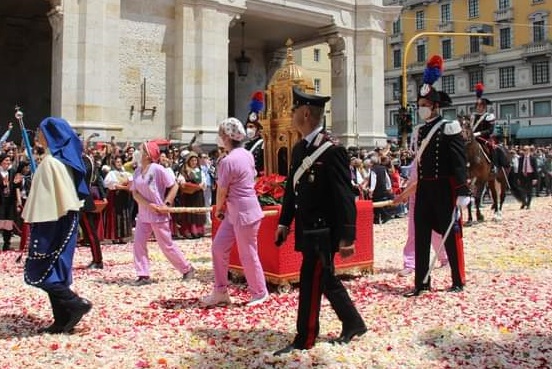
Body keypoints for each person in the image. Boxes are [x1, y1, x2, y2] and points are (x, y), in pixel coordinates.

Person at [273, 86, 367, 355]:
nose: (290, 115)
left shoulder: (332, 150)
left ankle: (305, 338)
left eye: (293, 111)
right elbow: (292, 188)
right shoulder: (299, 148)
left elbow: (344, 196)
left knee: (310, 281)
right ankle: (353, 322)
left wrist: (348, 237)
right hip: (307, 228)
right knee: (325, 279)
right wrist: (284, 222)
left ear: (304, 113)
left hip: (323, 230)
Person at [404, 55, 471, 297]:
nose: (421, 108)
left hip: (444, 189)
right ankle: (421, 282)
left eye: (424, 104)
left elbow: (458, 161)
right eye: (419, 104)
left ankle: (457, 280)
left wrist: (463, 190)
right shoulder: (419, 131)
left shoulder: (449, 127)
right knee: (421, 235)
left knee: (450, 237)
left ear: (435, 106)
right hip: (425, 190)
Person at [22, 117, 92, 334]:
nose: (38, 136)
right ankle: (62, 319)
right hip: (63, 219)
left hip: (51, 222)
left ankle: (75, 303)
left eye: (41, 132)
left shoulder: (51, 163)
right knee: (55, 270)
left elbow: (46, 202)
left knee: (40, 270)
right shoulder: (64, 161)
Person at [200, 117, 268, 307]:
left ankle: (260, 292)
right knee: (219, 247)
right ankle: (220, 290)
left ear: (226, 137)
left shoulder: (229, 160)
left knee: (248, 252)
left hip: (242, 211)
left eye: (221, 134)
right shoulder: (245, 154)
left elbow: (222, 190)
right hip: (237, 210)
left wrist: (218, 208)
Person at [131, 141, 195, 285]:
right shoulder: (137, 171)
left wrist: (166, 203)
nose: (138, 152)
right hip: (143, 214)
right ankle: (143, 274)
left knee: (166, 245)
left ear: (148, 155)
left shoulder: (157, 169)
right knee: (138, 244)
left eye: (141, 150)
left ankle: (187, 269)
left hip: (159, 214)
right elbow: (135, 193)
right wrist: (148, 205)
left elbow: (174, 186)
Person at [471, 83, 507, 173]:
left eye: (481, 106)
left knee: (492, 147)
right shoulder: (473, 116)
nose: (479, 108)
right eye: (478, 106)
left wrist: (478, 133)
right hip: (472, 138)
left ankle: (494, 166)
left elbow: (490, 130)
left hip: (484, 137)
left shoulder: (489, 116)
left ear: (484, 107)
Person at [80, 149, 107, 269]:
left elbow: (83, 174)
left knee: (90, 232)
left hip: (83, 200)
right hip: (72, 200)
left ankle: (97, 260)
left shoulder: (85, 160)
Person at [103, 156, 133, 244]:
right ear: (114, 163)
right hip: (115, 197)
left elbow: (131, 182)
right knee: (115, 216)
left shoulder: (126, 173)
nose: (119, 163)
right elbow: (112, 185)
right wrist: (125, 187)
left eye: (120, 162)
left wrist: (127, 187)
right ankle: (114, 237)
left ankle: (122, 237)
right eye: (117, 162)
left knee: (124, 215)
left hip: (124, 197)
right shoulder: (112, 173)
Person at [243, 91, 265, 175]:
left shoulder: (263, 144)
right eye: (247, 127)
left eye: (251, 127)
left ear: (259, 129)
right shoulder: (246, 144)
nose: (248, 129)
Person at [518, 145, 538, 210]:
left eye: (526, 150)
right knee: (522, 191)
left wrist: (535, 178)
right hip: (523, 175)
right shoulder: (520, 158)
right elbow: (519, 168)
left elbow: (535, 169)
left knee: (529, 191)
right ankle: (524, 203)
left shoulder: (533, 158)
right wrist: (518, 178)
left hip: (530, 175)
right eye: (524, 150)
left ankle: (528, 204)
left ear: (529, 150)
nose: (525, 151)